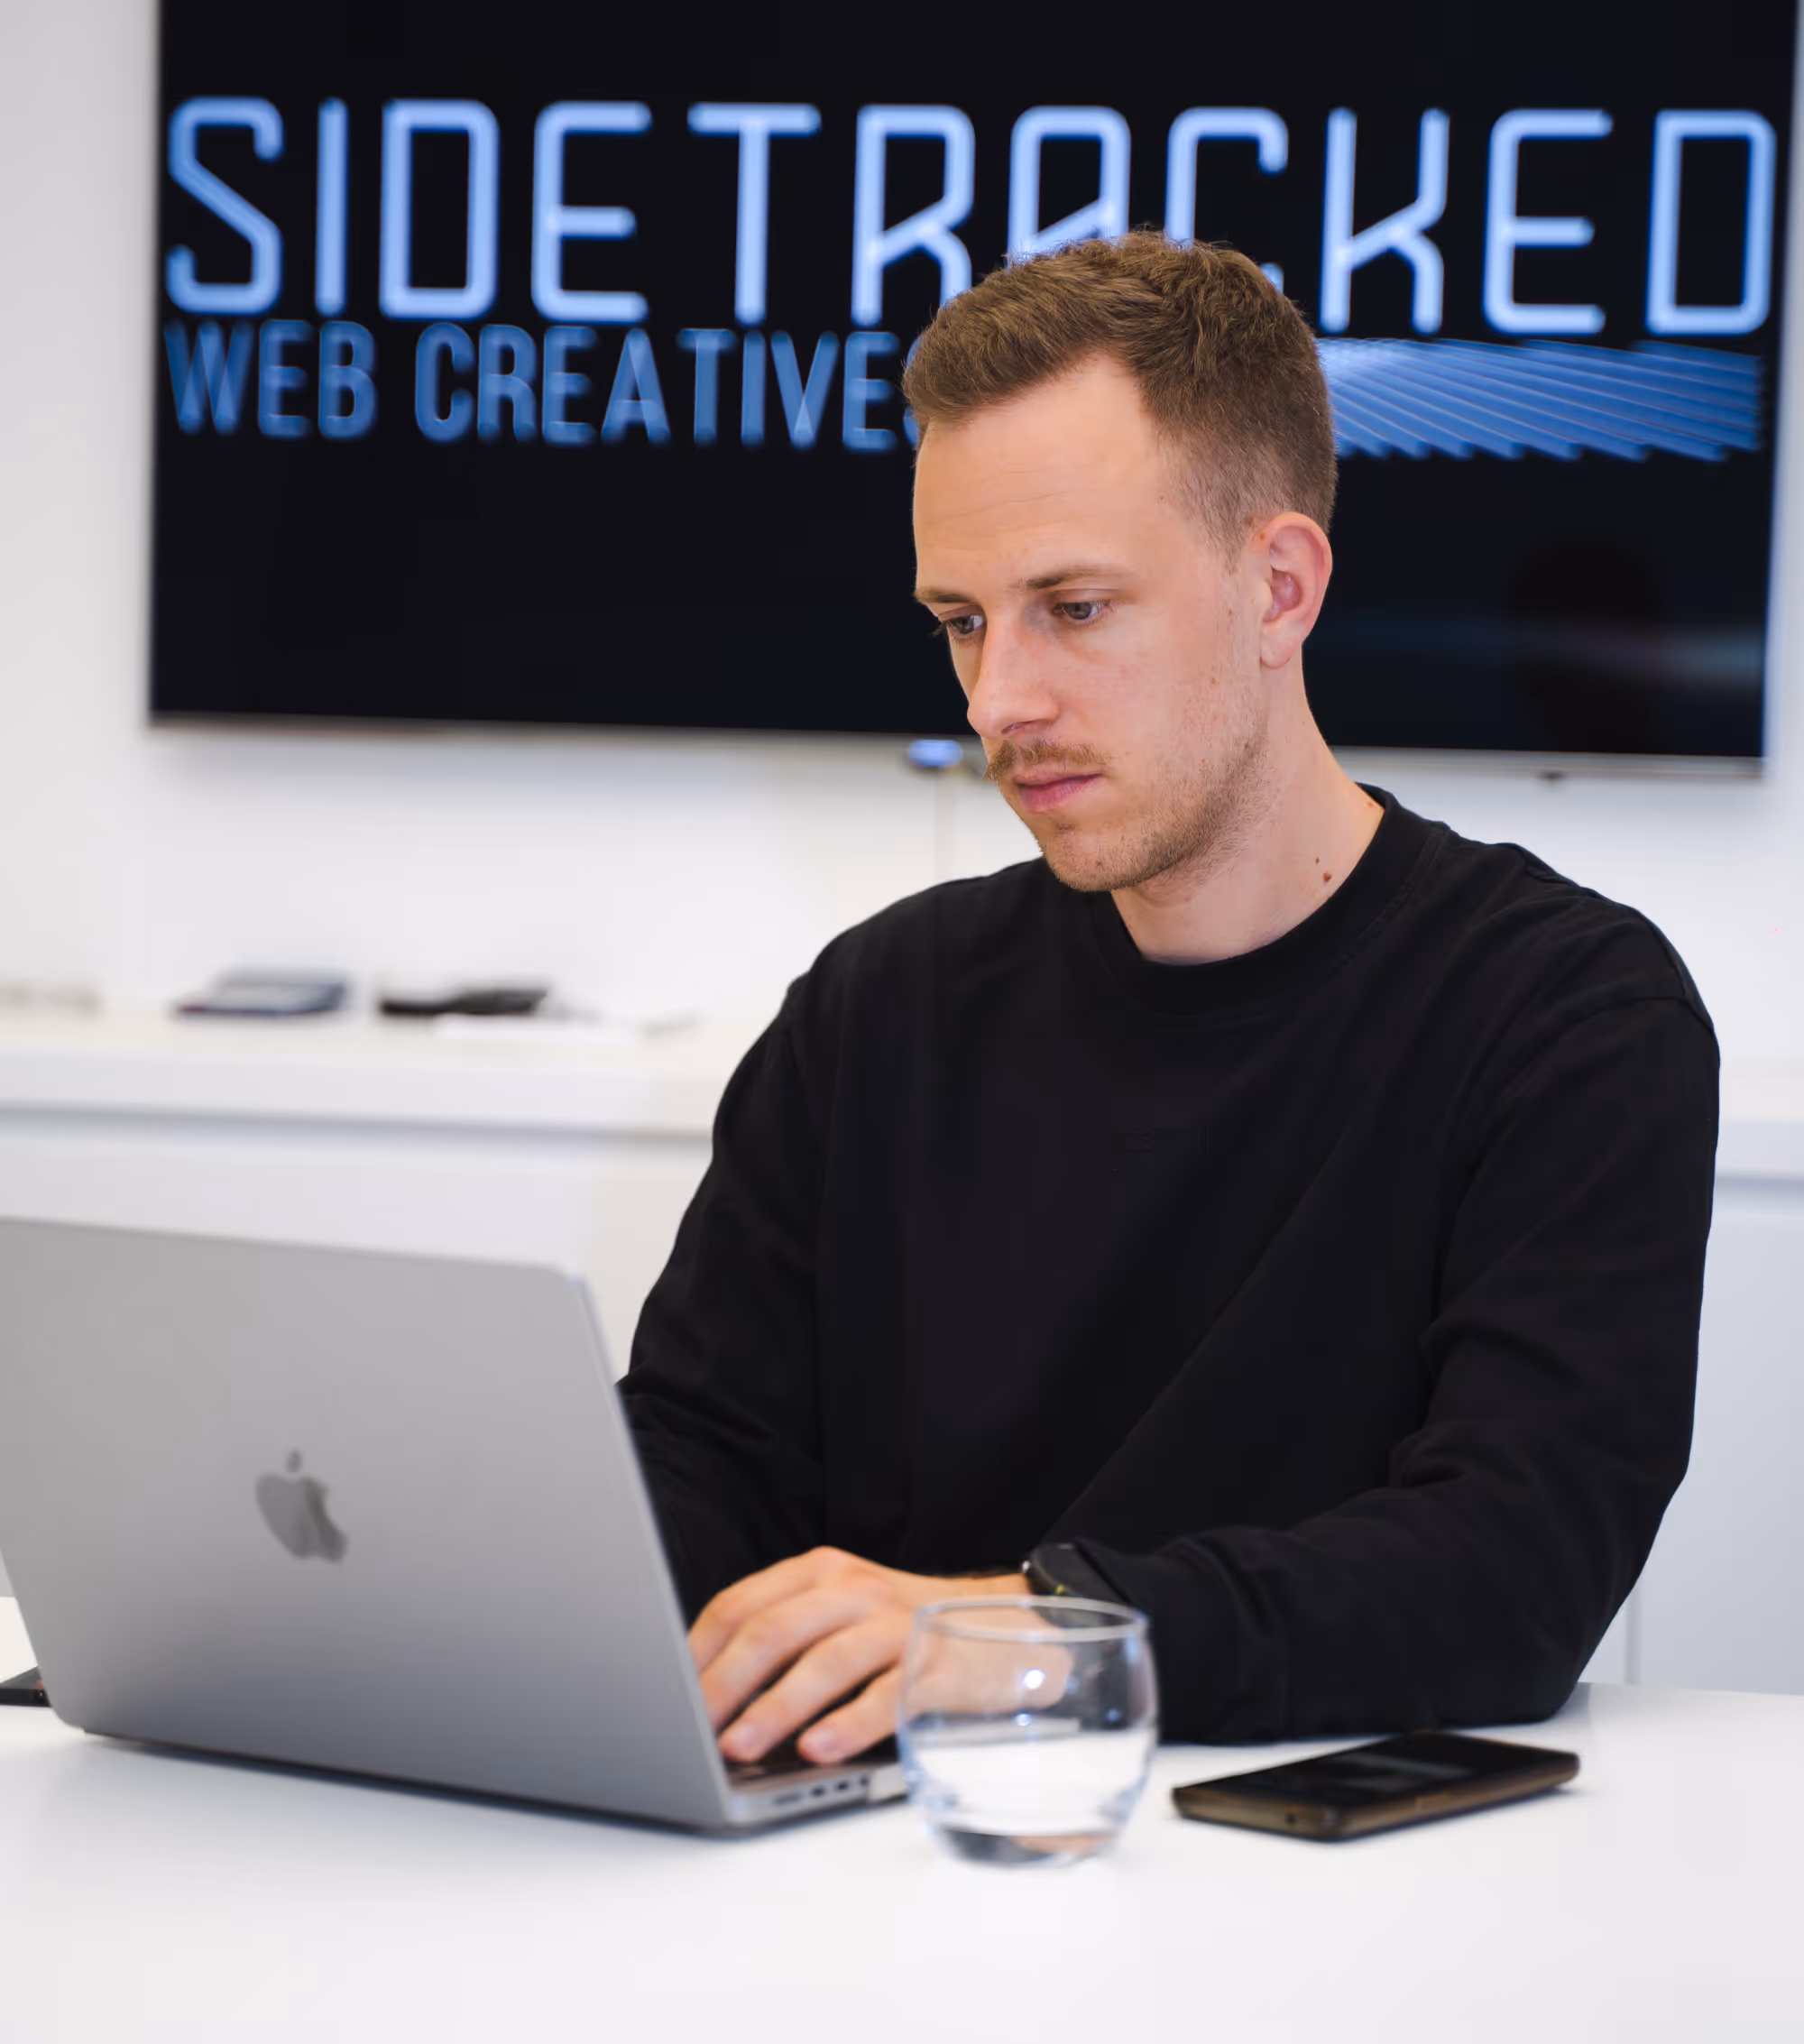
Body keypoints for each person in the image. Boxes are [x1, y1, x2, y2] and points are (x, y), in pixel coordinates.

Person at [621, 233, 1718, 1767]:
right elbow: (696, 1461)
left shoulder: (1567, 1019)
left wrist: (1008, 1643)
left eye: (1073, 606)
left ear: (1279, 587)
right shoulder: (875, 1011)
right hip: (865, 1882)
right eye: (961, 620)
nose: (998, 698)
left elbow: (1509, 1572)